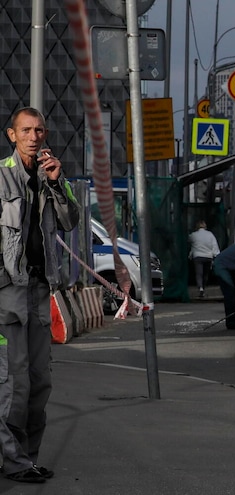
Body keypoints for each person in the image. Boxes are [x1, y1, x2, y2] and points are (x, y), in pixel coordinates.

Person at [0, 107, 79, 483]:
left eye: (40, 130)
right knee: (12, 383)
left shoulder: (49, 176)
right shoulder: (1, 176)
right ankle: (12, 461)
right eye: (26, 130)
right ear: (11, 135)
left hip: (40, 288)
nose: (35, 136)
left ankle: (27, 458)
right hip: (6, 291)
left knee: (39, 381)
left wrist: (57, 182)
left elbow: (70, 221)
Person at [188, 220, 220, 298]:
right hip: (208, 256)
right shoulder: (210, 234)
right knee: (206, 274)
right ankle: (204, 287)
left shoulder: (193, 235)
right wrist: (215, 255)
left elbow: (188, 241)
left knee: (199, 273)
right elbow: (214, 246)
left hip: (197, 256)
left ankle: (200, 288)